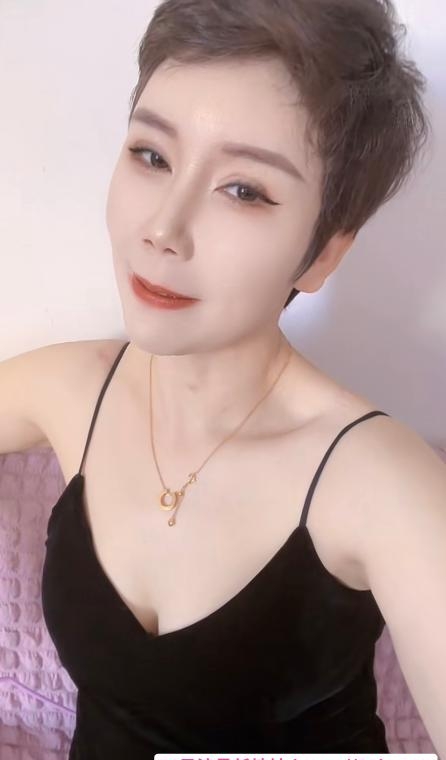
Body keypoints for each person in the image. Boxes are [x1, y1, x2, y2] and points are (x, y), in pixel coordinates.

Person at [39, 0, 446, 757]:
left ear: (323, 254)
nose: (163, 229)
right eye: (151, 155)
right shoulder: (69, 388)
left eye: (244, 190)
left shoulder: (380, 481)